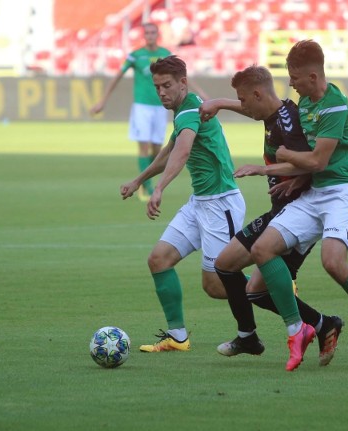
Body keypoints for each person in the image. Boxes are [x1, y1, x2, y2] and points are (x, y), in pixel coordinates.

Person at [249, 40, 348, 371]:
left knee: (333, 262)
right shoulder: (304, 104)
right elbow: (307, 167)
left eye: (294, 77)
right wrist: (274, 171)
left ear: (313, 75)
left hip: (343, 191)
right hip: (315, 192)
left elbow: (317, 160)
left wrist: (283, 158)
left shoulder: (334, 104)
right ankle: (297, 330)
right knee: (263, 250)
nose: (290, 83)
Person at [199, 65, 343, 367]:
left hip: (294, 216)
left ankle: (250, 336)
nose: (243, 106)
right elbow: (253, 109)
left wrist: (268, 170)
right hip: (283, 213)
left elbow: (309, 163)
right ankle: (322, 324)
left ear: (257, 94)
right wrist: (220, 103)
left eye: (243, 100)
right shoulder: (274, 114)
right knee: (256, 292)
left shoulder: (287, 124)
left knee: (226, 265)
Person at [120, 55, 246, 352]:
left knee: (215, 286)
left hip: (221, 204)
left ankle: (276, 286)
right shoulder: (183, 110)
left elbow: (184, 151)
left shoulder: (191, 110)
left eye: (167, 85)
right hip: (200, 203)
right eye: (157, 86)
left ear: (183, 83)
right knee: (159, 260)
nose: (161, 92)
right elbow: (170, 149)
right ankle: (177, 337)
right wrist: (140, 180)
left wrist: (159, 188)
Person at [91, 22, 171, 200]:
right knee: (143, 146)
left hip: (160, 106)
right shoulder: (136, 56)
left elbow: (181, 76)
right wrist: (103, 101)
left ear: (158, 34)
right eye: (147, 32)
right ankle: (146, 186)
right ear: (144, 35)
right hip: (141, 106)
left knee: (157, 150)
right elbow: (117, 77)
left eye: (153, 32)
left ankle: (147, 180)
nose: (150, 35)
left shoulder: (165, 55)